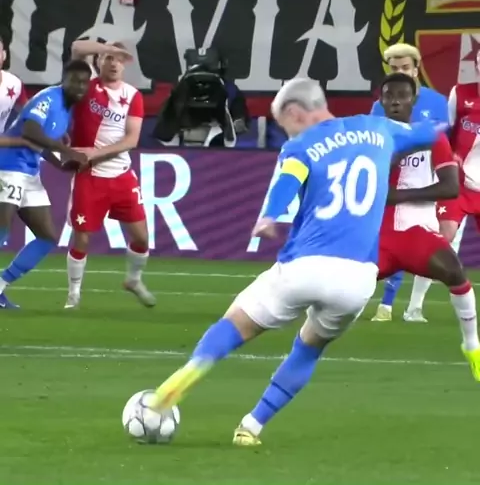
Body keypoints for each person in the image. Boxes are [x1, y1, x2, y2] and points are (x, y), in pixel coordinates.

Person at [145, 76, 456, 446]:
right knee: (309, 347)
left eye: (283, 123)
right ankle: (251, 427)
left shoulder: (301, 145)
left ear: (295, 112)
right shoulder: (379, 128)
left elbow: (287, 182)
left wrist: (269, 215)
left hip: (305, 266)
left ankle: (189, 372)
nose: (286, 131)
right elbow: (431, 132)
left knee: (236, 323)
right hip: (358, 279)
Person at [376, 74, 479, 364]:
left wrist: (399, 195)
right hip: (378, 235)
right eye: (389, 95)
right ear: (381, 100)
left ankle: (472, 346)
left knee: (455, 271)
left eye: (402, 95)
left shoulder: (432, 137)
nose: (395, 101)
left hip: (416, 233)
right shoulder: (371, 138)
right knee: (338, 290)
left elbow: (450, 187)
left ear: (414, 100)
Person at [64, 39, 154, 310]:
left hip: (122, 176)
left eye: (119, 59)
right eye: (108, 58)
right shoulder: (86, 87)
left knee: (141, 238)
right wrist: (107, 48)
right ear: (99, 61)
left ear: (125, 65)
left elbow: (131, 140)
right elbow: (77, 47)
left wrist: (95, 152)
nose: (114, 63)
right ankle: (73, 294)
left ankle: (133, 279)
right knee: (82, 237)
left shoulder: (133, 96)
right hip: (89, 177)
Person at [0, 60, 90, 308]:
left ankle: (1, 284)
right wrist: (67, 150)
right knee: (2, 230)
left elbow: (38, 144)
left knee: (47, 237)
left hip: (29, 171)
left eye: (84, 83)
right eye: (75, 81)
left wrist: (60, 164)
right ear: (64, 80)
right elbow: (30, 131)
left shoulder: (68, 109)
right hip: (8, 167)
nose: (80, 87)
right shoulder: (48, 98)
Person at [370, 43, 449, 322]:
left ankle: (402, 306)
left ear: (416, 69)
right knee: (385, 242)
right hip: (390, 181)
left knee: (418, 241)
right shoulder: (379, 104)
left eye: (405, 67)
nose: (400, 72)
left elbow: (444, 139)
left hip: (425, 180)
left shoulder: (437, 102)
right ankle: (368, 301)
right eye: (394, 68)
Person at [404, 47, 480, 318]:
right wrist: (451, 158)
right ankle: (414, 308)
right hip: (459, 184)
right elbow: (446, 131)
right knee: (442, 238)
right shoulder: (461, 94)